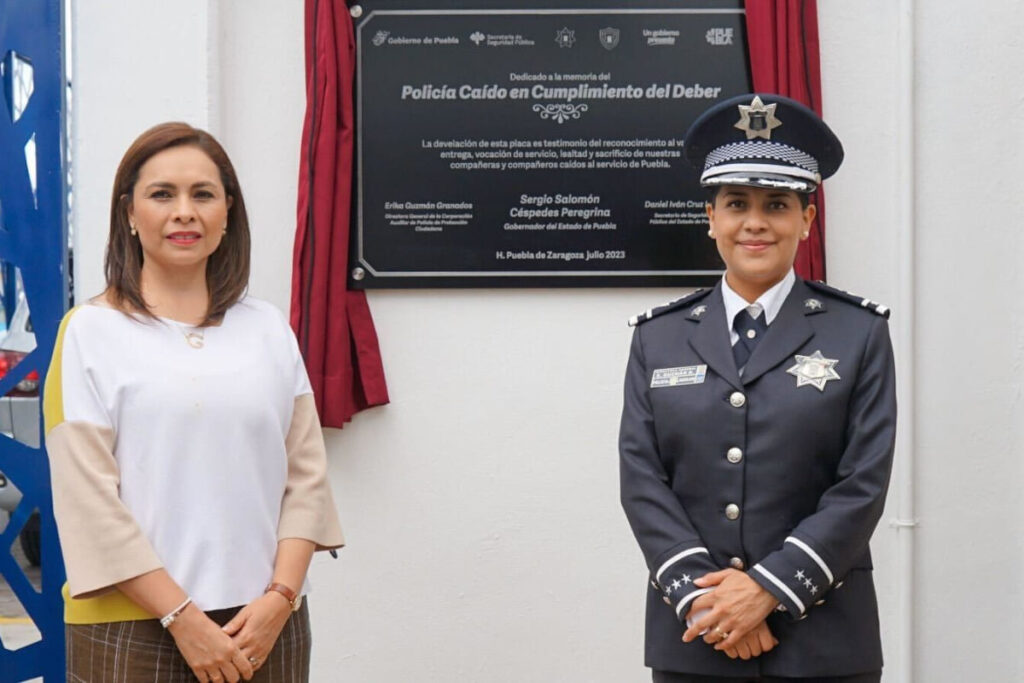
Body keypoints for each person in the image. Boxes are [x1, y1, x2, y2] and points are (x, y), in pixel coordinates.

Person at [44, 122, 344, 682]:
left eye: (202, 194)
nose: (185, 212)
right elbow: (89, 503)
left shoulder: (269, 329)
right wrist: (182, 617)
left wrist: (281, 596)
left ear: (228, 212)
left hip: (265, 625)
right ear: (129, 214)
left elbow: (306, 478)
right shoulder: (89, 332)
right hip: (133, 626)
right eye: (162, 194)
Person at [619, 94, 896, 683]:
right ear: (711, 218)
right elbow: (643, 480)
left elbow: (862, 486)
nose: (755, 222)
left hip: (824, 642)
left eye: (777, 204)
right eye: (736, 203)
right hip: (698, 637)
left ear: (806, 219)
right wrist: (708, 602)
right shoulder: (658, 340)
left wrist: (767, 591)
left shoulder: (859, 333)